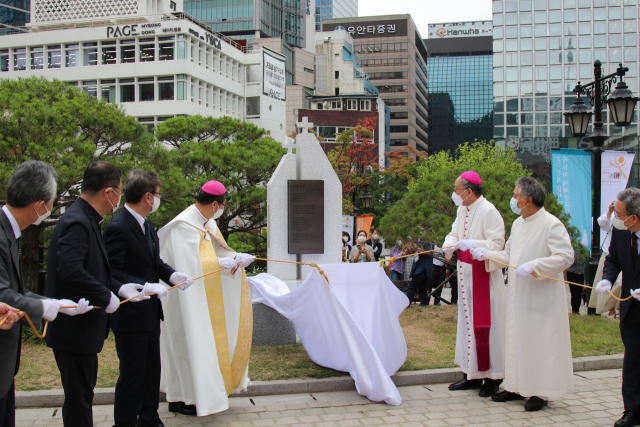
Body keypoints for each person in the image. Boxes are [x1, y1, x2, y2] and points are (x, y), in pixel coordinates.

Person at [44, 161, 147, 427]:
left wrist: (114, 288)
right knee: (79, 401)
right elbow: (71, 270)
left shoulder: (87, 218)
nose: (119, 198)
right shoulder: (77, 221)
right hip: (73, 329)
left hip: (81, 330)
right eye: (119, 192)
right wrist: (106, 296)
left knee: (82, 395)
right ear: (108, 192)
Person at [472, 177, 575, 412]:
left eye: (515, 195)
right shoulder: (519, 223)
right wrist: (486, 254)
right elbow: (509, 254)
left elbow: (566, 256)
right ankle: (515, 385)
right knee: (517, 338)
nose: (513, 199)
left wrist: (536, 265)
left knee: (539, 343)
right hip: (518, 294)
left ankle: (541, 391)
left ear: (528, 199)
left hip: (540, 296)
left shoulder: (551, 224)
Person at [1, 161, 91, 427]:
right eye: (52, 203)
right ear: (39, 206)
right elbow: (3, 294)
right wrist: (42, 309)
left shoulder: (11, 232)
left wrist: (53, 303)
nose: (51, 209)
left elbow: (16, 289)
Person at [103, 170, 195, 427]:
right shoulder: (119, 226)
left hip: (150, 315)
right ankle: (124, 422)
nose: (158, 198)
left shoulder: (145, 224)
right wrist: (143, 287)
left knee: (151, 370)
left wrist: (172, 275)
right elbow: (110, 271)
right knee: (132, 375)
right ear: (147, 196)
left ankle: (148, 416)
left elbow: (154, 262)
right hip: (130, 315)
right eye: (157, 194)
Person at [158, 181, 256, 417]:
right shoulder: (183, 225)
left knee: (202, 347)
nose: (222, 209)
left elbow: (216, 250)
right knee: (184, 346)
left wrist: (235, 256)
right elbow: (186, 265)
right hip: (182, 301)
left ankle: (198, 396)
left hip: (201, 298)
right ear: (214, 204)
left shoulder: (207, 222)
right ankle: (180, 398)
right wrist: (218, 263)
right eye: (222, 205)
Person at [442, 170, 506, 398]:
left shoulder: (489, 211)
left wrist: (473, 243)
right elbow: (454, 232)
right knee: (467, 326)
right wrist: (449, 244)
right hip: (466, 276)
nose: (455, 193)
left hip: (484, 278)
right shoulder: (462, 209)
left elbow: (498, 244)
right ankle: (471, 373)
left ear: (469, 191)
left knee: (488, 328)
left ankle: (493, 376)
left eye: (457, 190)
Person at [595, 187, 640, 427]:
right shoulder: (621, 232)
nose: (615, 219)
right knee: (633, 360)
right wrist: (607, 279)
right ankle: (632, 410)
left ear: (634, 217)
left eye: (619, 215)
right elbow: (613, 259)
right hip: (631, 308)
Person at [589, 201, 623, 318]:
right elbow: (602, 223)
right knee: (606, 280)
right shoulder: (614, 217)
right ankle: (609, 310)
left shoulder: (630, 218)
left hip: (624, 254)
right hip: (609, 252)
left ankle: (616, 308)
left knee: (619, 283)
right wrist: (609, 212)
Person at [405, 242, 435, 307]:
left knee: (412, 287)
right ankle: (425, 305)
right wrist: (411, 248)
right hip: (417, 266)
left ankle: (406, 305)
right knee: (422, 289)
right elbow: (412, 252)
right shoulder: (416, 240)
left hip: (423, 268)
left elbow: (427, 252)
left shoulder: (428, 240)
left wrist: (416, 247)